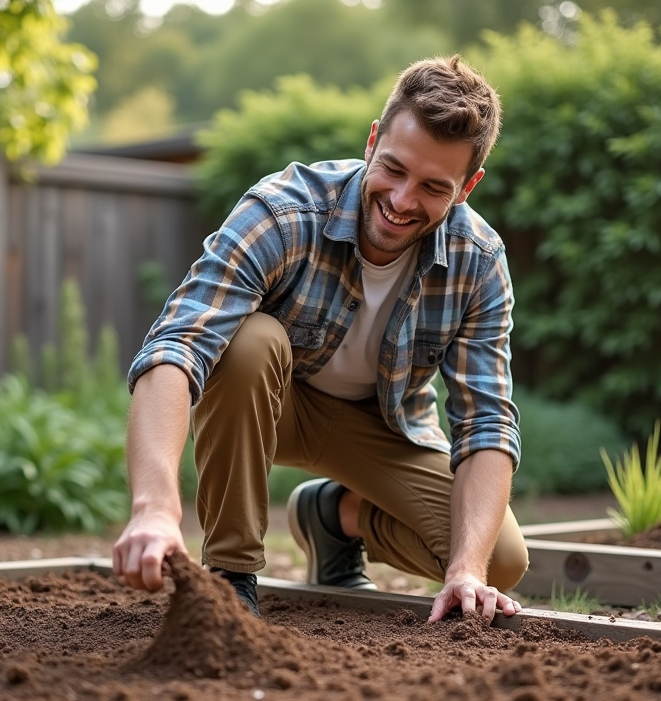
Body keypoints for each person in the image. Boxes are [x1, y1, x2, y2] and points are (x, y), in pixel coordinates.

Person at [113, 54, 528, 623]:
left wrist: (466, 571)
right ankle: (232, 574)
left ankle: (335, 518)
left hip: (381, 426)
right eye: (394, 169)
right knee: (248, 339)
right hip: (266, 404)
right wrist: (155, 508)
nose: (403, 201)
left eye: (434, 186)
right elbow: (177, 347)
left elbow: (486, 421)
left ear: (467, 187)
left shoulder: (477, 261)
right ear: (372, 140)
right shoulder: (283, 212)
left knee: (498, 559)